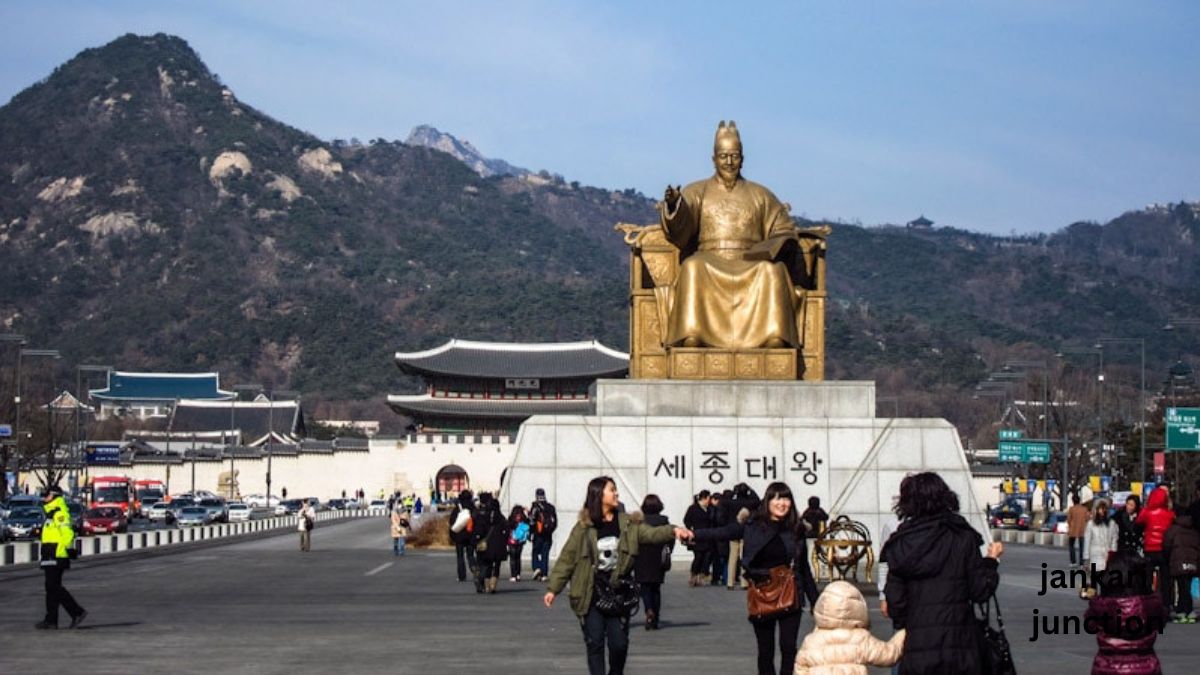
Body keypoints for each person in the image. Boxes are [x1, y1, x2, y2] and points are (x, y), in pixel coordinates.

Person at [659, 121, 804, 350]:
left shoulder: (761, 194)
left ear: (742, 159)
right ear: (714, 159)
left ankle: (773, 336)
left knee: (772, 271)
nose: (729, 162)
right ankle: (692, 334)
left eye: (734, 156)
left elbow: (783, 227)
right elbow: (681, 230)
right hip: (710, 258)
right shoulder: (697, 191)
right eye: (723, 156)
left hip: (751, 261)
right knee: (693, 266)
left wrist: (779, 242)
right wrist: (675, 205)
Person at [544, 476, 687, 675]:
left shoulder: (628, 523)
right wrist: (553, 589)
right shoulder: (584, 527)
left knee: (619, 645)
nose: (616, 493)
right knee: (594, 642)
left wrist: (674, 531)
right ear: (599, 494)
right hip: (590, 593)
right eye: (612, 490)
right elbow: (567, 559)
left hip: (619, 593)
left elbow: (651, 534)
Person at [688, 481, 821, 675]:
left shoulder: (796, 529)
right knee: (765, 651)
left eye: (785, 498)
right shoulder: (753, 525)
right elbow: (724, 532)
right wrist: (694, 534)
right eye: (776, 498)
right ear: (767, 501)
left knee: (788, 648)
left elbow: (804, 569)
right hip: (762, 592)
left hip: (791, 593)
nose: (781, 503)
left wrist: (816, 603)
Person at [880, 472, 1002, 675]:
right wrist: (990, 560)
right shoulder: (962, 536)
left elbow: (896, 606)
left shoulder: (900, 543)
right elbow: (980, 590)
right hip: (961, 649)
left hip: (918, 651)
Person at [794, 580, 906, 675]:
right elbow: (888, 654)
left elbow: (800, 669)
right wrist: (905, 632)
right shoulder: (861, 639)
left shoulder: (811, 641)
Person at [1085, 551, 1166, 675]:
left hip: (1108, 667)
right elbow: (1162, 620)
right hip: (1145, 666)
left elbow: (1090, 624)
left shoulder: (1101, 605)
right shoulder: (1151, 604)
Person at [36, 486, 86, 630]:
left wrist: (64, 548)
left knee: (53, 586)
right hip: (49, 553)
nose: (43, 498)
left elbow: (68, 533)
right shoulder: (50, 513)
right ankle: (51, 620)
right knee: (50, 587)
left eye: (46, 495)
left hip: (57, 554)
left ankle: (77, 612)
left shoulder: (59, 513)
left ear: (54, 496)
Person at [632, 494, 673, 630]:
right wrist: (668, 552)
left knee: (645, 588)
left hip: (642, 557)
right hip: (658, 558)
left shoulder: (640, 521)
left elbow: (634, 538)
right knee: (656, 588)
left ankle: (649, 610)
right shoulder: (664, 520)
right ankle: (656, 616)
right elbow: (670, 536)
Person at [1136, 486, 1175, 611]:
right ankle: (1166, 604)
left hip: (1150, 548)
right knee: (1166, 579)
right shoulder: (1169, 514)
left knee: (1147, 577)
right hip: (1164, 549)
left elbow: (1138, 523)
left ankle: (1146, 602)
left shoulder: (1146, 512)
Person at [1163, 505, 1199, 622]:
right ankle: (1188, 610)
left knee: (1180, 586)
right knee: (1187, 585)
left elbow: (1166, 544)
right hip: (1192, 561)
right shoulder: (1193, 530)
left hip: (1178, 560)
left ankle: (1182, 610)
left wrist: (1168, 556)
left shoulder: (1173, 529)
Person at [726, 483, 760, 590]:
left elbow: (724, 501)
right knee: (744, 557)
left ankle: (730, 582)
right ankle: (744, 582)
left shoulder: (731, 503)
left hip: (733, 532)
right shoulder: (750, 503)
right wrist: (751, 490)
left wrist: (733, 492)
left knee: (732, 558)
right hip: (745, 532)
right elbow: (758, 500)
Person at [473, 492, 508, 594]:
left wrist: (476, 541)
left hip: (487, 545)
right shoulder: (501, 518)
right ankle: (493, 584)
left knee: (487, 564)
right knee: (496, 566)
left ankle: (487, 585)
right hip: (499, 545)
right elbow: (507, 530)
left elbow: (479, 531)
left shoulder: (484, 516)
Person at [1083, 499, 1118, 598]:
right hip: (1094, 557)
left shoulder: (1111, 524)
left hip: (1107, 558)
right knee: (1093, 586)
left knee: (1106, 584)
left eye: (1104, 509)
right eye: (1100, 509)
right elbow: (1087, 541)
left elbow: (1114, 539)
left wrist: (1113, 553)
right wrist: (1086, 558)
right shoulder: (1091, 524)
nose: (1102, 511)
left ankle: (1104, 604)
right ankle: (1094, 605)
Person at [684, 490, 714, 587]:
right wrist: (690, 529)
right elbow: (686, 520)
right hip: (697, 536)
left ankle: (701, 577)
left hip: (708, 536)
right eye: (708, 498)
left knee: (707, 558)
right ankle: (693, 576)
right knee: (698, 557)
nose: (709, 501)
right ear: (704, 498)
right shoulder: (693, 508)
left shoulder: (709, 509)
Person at [529, 487, 558, 582]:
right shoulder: (551, 507)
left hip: (538, 534)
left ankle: (537, 567)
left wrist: (532, 532)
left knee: (535, 552)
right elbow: (555, 522)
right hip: (548, 535)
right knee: (545, 554)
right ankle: (544, 574)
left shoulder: (535, 506)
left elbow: (532, 520)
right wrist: (550, 530)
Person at [449, 491, 477, 582]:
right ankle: (475, 571)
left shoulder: (458, 508)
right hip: (470, 535)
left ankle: (462, 576)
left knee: (460, 556)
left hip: (459, 536)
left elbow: (452, 521)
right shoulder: (473, 508)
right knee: (470, 555)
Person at [708, 491, 730, 586]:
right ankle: (725, 578)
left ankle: (717, 578)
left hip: (718, 536)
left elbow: (718, 521)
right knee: (725, 559)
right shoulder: (726, 508)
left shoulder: (716, 509)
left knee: (718, 559)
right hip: (724, 536)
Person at [507, 504, 530, 582]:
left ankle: (513, 575)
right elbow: (530, 522)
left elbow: (507, 529)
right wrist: (528, 511)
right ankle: (518, 574)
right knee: (518, 557)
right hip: (521, 541)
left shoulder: (511, 519)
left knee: (512, 558)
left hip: (512, 541)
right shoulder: (524, 519)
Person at [1067, 493, 1090, 568]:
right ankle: (1081, 563)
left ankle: (1073, 561)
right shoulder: (1084, 509)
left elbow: (1069, 519)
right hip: (1082, 529)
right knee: (1082, 547)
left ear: (1073, 501)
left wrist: (1070, 525)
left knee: (1071, 545)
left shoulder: (1071, 509)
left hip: (1073, 530)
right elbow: (1087, 518)